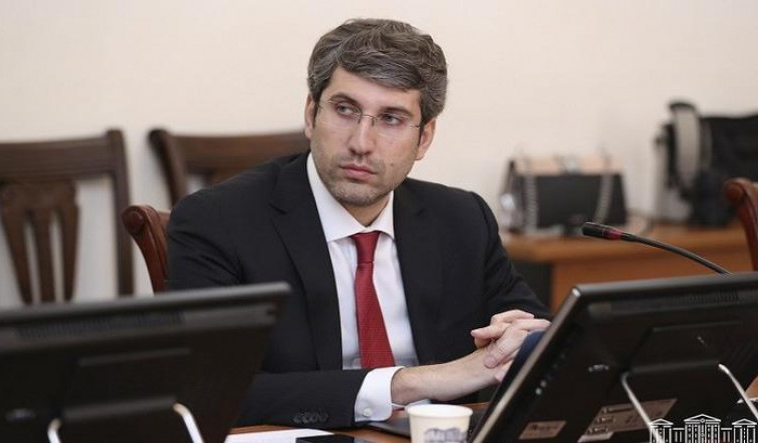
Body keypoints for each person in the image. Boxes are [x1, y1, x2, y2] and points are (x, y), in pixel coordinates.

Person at [167, 18, 550, 429]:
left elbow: (541, 342)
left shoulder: (461, 219)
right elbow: (209, 391)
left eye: (391, 118)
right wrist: (413, 382)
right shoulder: (217, 222)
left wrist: (521, 341)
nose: (361, 143)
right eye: (345, 110)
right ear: (311, 114)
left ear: (424, 138)